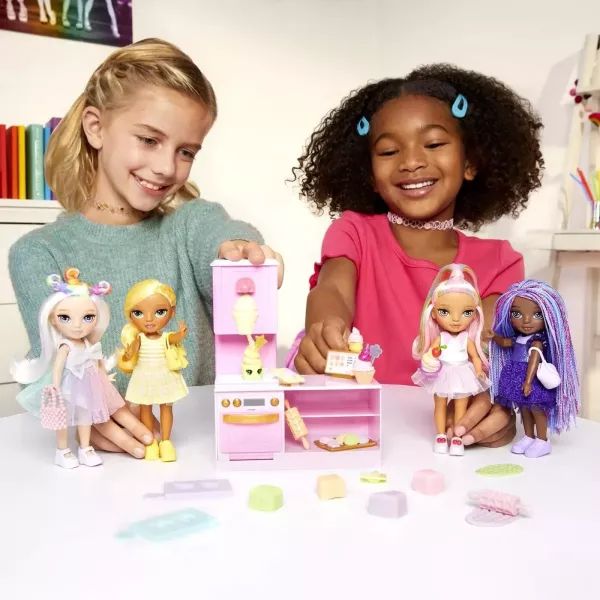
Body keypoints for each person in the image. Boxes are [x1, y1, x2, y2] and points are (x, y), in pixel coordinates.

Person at [10, 38, 282, 458]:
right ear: (96, 127)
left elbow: (223, 235)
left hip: (199, 454)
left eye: (186, 151)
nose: (166, 167)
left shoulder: (189, 225)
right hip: (102, 467)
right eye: (149, 140)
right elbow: (54, 366)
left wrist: (245, 251)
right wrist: (81, 413)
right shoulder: (37, 254)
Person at [290, 64, 544, 448]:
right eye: (389, 151)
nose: (410, 161)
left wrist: (497, 407)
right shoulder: (354, 233)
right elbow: (333, 290)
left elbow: (494, 349)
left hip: (445, 444)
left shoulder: (500, 262)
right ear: (370, 175)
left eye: (434, 144)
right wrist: (325, 330)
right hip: (359, 436)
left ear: (470, 162)